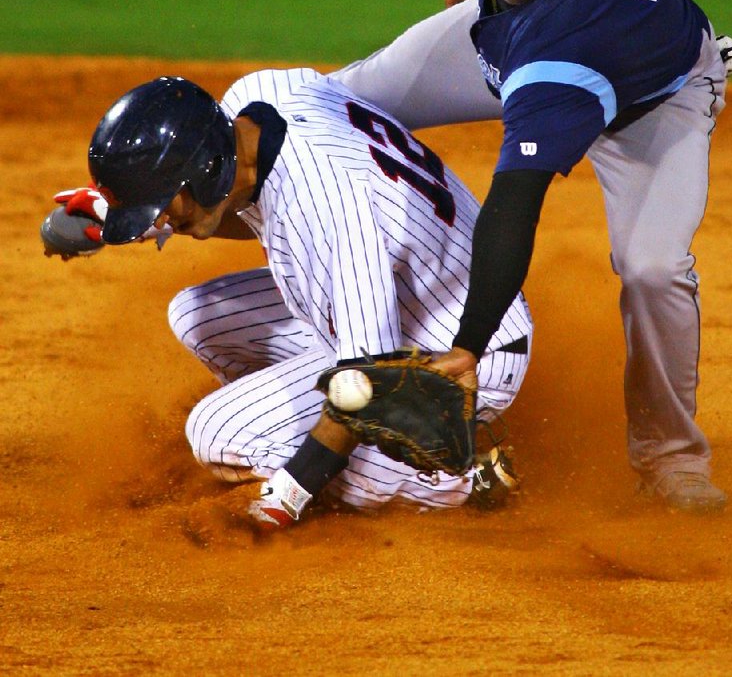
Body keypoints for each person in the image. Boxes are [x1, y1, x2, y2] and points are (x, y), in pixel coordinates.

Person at [332, 0, 732, 513]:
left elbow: (515, 204)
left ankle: (672, 459)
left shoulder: (565, 49)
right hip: (532, 51)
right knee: (335, 102)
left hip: (655, 100)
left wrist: (468, 346)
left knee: (652, 267)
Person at [83, 68, 533, 526]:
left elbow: (366, 383)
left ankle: (463, 477)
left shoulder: (326, 208)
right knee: (195, 315)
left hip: (450, 356)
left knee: (217, 434)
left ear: (204, 171)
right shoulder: (259, 100)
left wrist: (296, 484)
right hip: (395, 299)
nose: (163, 216)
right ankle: (290, 428)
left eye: (163, 202)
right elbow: (263, 208)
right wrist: (134, 216)